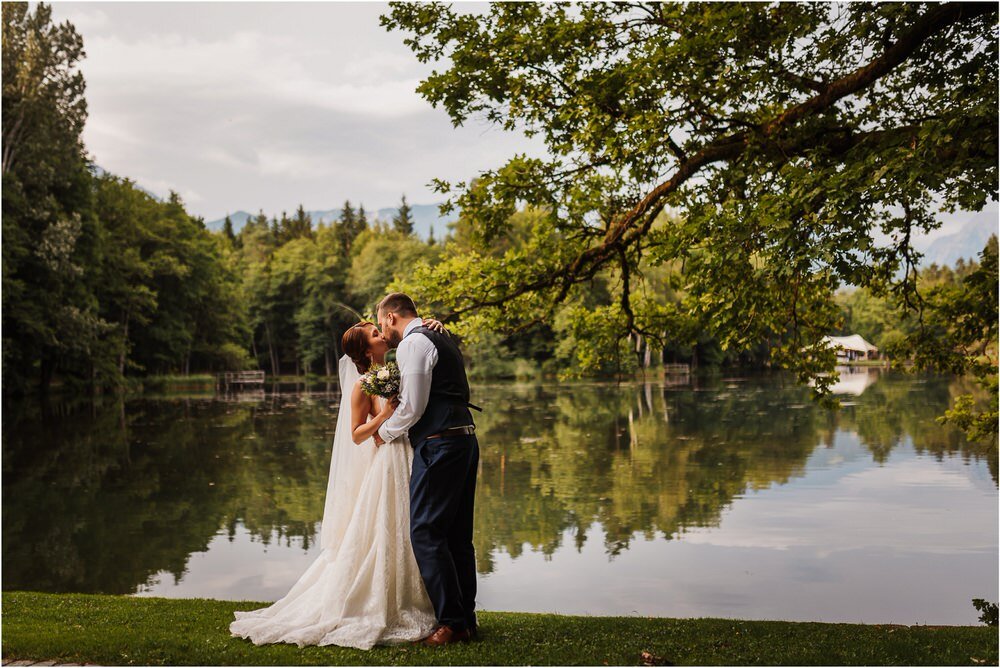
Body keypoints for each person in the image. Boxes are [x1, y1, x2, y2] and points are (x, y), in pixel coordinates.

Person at [229, 318, 447, 650]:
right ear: (364, 350)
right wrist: (385, 415)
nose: (382, 335)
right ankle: (386, 602)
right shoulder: (363, 384)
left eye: (379, 329)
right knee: (389, 528)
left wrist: (434, 323)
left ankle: (428, 601)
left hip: (410, 454)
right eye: (375, 335)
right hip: (386, 459)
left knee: (414, 527)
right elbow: (357, 434)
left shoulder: (402, 366)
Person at [375, 292, 480, 646]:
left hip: (440, 444)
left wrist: (384, 433)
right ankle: (466, 619)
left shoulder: (413, 343)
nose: (382, 333)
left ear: (391, 317)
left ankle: (452, 623)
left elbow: (413, 406)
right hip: (464, 439)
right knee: (457, 537)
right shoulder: (441, 338)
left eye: (379, 324)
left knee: (424, 532)